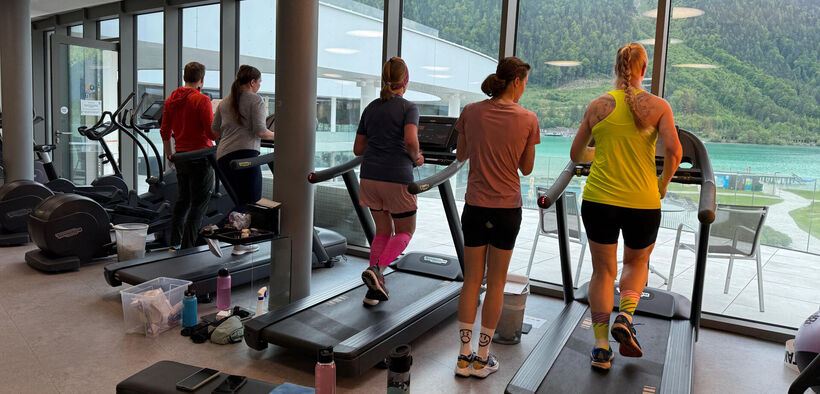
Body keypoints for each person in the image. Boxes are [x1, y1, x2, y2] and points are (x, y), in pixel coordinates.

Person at [569, 42, 682, 371]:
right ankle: (626, 315)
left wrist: (599, 154)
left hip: (598, 200)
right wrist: (662, 184)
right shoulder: (658, 106)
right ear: (643, 71)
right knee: (636, 263)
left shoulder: (597, 105)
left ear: (617, 69)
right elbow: (674, 152)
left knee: (603, 272)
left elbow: (577, 154)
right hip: (642, 203)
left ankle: (601, 348)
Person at [453, 57, 539, 378]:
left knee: (472, 280)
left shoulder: (471, 111)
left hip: (475, 207)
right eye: (525, 82)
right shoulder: (528, 118)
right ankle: (483, 358)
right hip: (506, 211)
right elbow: (526, 168)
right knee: (497, 283)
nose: (524, 88)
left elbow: (461, 154)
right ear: (516, 81)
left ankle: (463, 357)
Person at [353, 57, 423, 307]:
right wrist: (418, 158)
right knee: (405, 231)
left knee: (383, 231)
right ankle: (378, 270)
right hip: (397, 177)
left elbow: (358, 148)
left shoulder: (371, 107)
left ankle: (374, 288)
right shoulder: (409, 108)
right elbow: (411, 141)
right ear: (405, 80)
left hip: (370, 176)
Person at [212, 65, 275, 256]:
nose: (259, 86)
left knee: (241, 202)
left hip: (223, 157)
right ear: (252, 82)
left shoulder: (225, 101)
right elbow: (260, 131)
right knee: (252, 201)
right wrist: (282, 135)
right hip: (245, 156)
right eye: (259, 82)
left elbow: (215, 130)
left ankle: (241, 244)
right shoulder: (255, 100)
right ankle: (214, 230)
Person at [160, 61, 218, 250]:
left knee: (183, 200)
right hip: (201, 156)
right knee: (198, 205)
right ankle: (188, 248)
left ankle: (175, 244)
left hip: (182, 156)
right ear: (201, 80)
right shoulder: (202, 100)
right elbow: (211, 134)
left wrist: (170, 156)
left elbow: (165, 132)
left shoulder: (171, 100)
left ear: (185, 77)